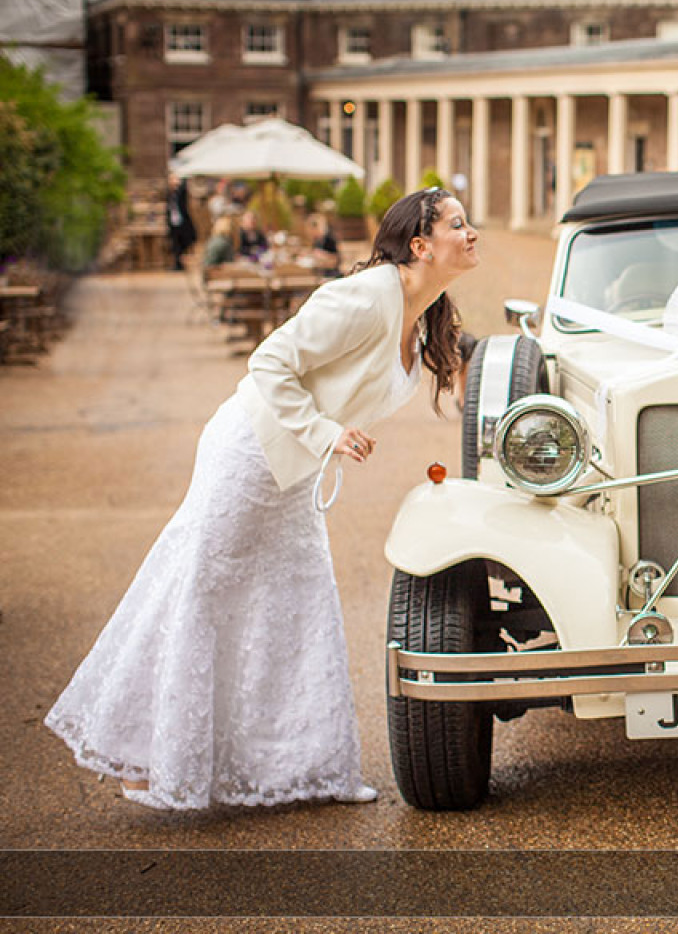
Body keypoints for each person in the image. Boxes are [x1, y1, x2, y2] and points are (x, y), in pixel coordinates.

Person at [45, 188, 479, 811]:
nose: (471, 234)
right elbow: (269, 361)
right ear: (420, 244)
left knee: (299, 605)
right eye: (457, 225)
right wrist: (327, 434)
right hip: (249, 454)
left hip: (294, 473)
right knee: (203, 591)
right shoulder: (364, 296)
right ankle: (155, 759)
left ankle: (310, 769)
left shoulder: (428, 313)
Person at [165, 173, 197, 271]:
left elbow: (184, 190)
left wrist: (180, 181)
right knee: (175, 244)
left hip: (182, 223)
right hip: (173, 223)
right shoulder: (169, 194)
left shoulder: (181, 192)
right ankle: (177, 264)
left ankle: (180, 263)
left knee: (183, 243)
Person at [308, 212, 341, 277]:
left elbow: (336, 261)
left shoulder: (330, 239)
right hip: (318, 273)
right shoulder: (317, 241)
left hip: (330, 274)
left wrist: (322, 255)